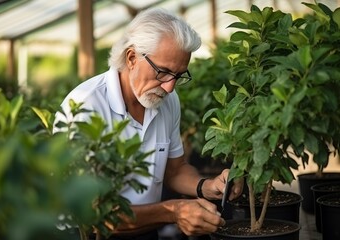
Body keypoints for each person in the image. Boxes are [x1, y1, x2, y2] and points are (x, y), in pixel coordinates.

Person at [55, 7, 243, 240]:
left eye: (179, 75)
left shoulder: (167, 101)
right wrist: (174, 211)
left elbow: (174, 170)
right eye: (163, 72)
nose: (170, 87)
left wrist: (207, 186)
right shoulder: (86, 106)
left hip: (145, 227)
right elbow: (94, 214)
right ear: (132, 57)